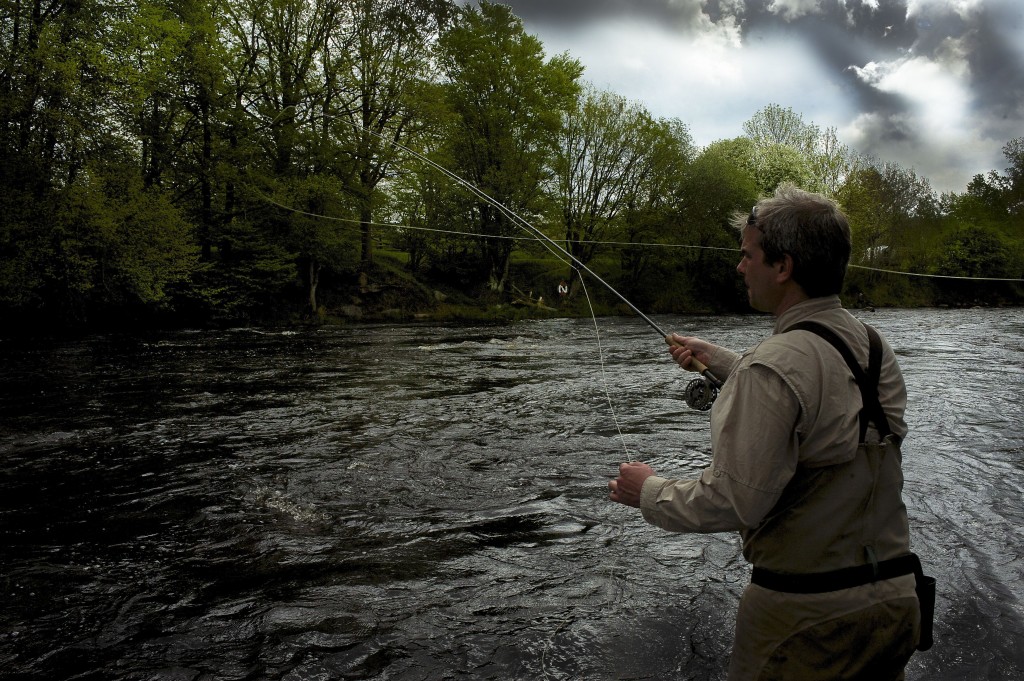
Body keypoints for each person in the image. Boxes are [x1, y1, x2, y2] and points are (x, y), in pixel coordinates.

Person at [609, 184, 923, 680]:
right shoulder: (872, 346)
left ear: (783, 267)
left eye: (747, 256)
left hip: (804, 622)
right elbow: (823, 410)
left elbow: (736, 501)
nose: (739, 267)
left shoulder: (770, 368)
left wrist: (646, 491)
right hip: (895, 604)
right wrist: (721, 362)